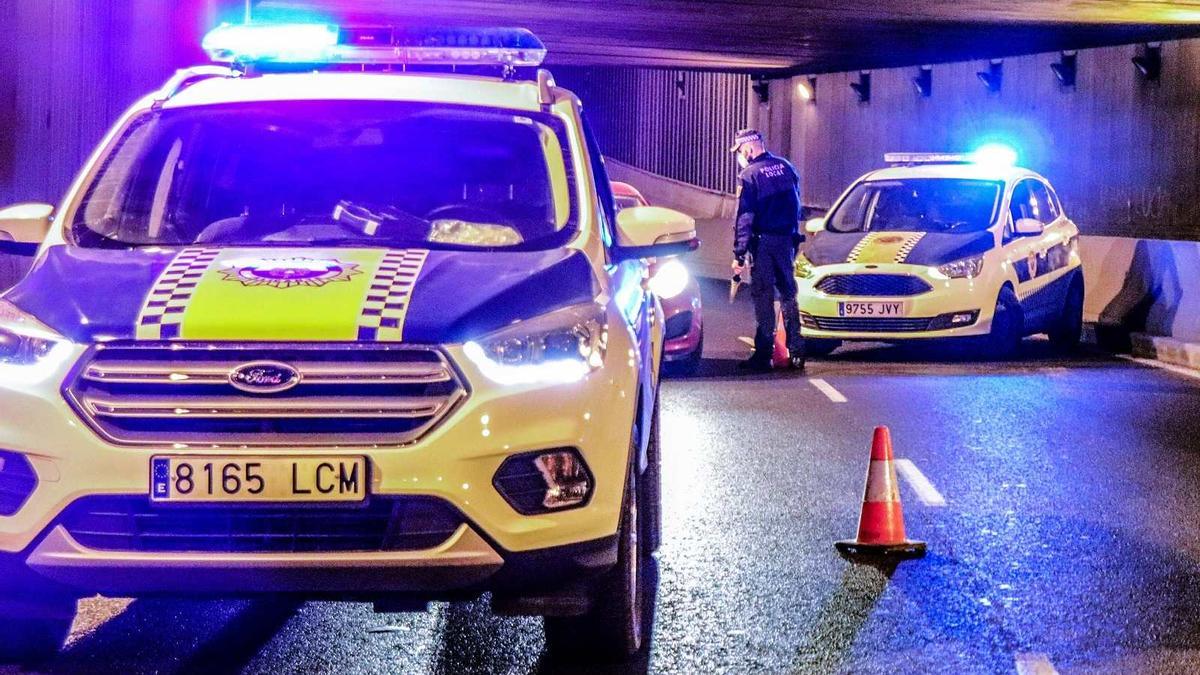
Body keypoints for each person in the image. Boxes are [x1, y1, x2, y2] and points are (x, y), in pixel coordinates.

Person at [729, 128, 805, 371]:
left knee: (762, 296)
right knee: (788, 293)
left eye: (740, 150)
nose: (740, 155)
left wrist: (739, 253)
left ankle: (763, 355)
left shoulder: (750, 175)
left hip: (764, 244)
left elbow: (746, 217)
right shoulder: (786, 167)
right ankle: (797, 351)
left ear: (749, 148)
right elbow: (796, 204)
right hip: (786, 240)